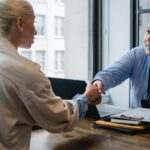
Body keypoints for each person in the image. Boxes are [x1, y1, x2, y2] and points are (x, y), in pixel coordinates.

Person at [0, 0, 100, 150]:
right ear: (20, 23)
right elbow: (60, 118)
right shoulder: (25, 71)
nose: (35, 31)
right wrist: (86, 98)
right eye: (34, 22)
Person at [92, 24, 150, 108]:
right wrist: (99, 83)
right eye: (148, 31)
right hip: (139, 120)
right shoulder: (138, 54)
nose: (148, 38)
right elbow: (113, 73)